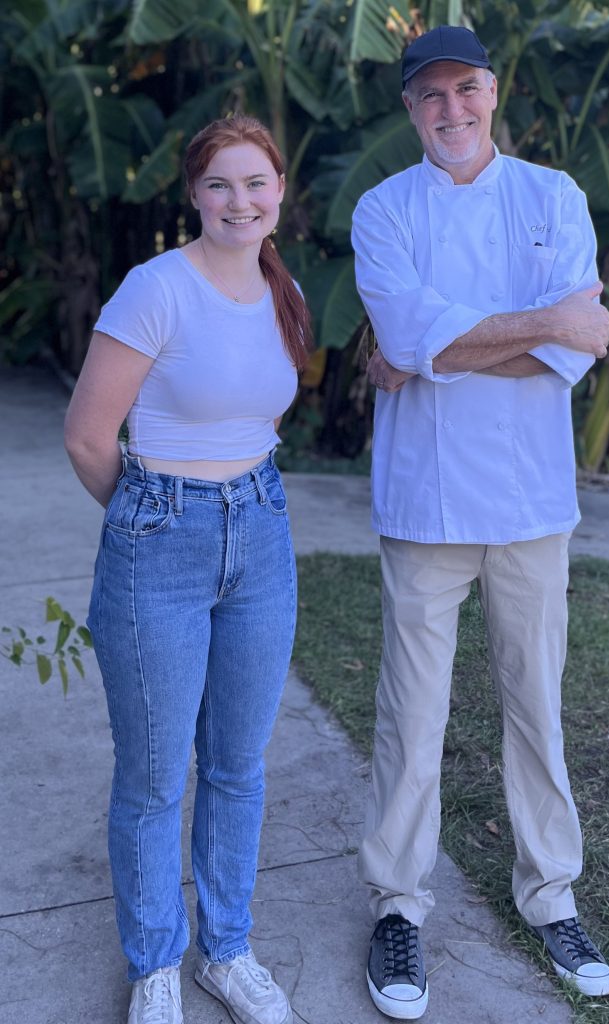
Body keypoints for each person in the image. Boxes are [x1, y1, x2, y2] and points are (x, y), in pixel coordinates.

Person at [351, 25, 609, 1019]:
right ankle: (396, 907)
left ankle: (552, 895)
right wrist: (543, 321)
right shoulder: (383, 211)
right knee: (410, 719)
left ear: (493, 94)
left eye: (466, 90)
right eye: (430, 96)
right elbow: (416, 333)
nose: (450, 110)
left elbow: (570, 350)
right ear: (410, 108)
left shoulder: (554, 196)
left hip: (531, 498)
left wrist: (440, 346)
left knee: (535, 704)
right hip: (424, 501)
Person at [64, 115, 311, 1024]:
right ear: (193, 196)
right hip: (159, 539)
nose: (238, 201)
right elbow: (90, 440)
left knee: (239, 766)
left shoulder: (280, 288)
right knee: (155, 775)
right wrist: (152, 526)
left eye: (255, 183)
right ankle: (157, 962)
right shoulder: (154, 288)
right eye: (218, 184)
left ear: (280, 192)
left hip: (263, 532)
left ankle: (228, 951)